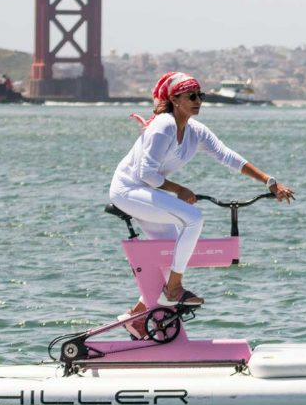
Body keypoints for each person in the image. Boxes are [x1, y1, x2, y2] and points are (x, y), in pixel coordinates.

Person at [108, 71, 293, 319]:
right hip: (128, 190)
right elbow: (147, 173)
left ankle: (136, 318)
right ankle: (174, 289)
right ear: (175, 100)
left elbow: (227, 155)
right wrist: (180, 190)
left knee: (170, 254)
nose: (198, 101)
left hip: (148, 192)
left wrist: (269, 181)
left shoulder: (195, 131)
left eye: (200, 95)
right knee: (193, 218)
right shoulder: (164, 126)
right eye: (191, 96)